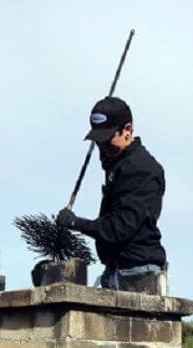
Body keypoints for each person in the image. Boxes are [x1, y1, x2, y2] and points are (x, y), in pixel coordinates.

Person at [56, 96, 167, 290]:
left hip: (139, 276)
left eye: (107, 140)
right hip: (115, 272)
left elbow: (119, 227)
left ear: (128, 130)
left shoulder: (142, 169)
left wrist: (75, 223)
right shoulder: (118, 164)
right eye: (98, 141)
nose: (102, 146)